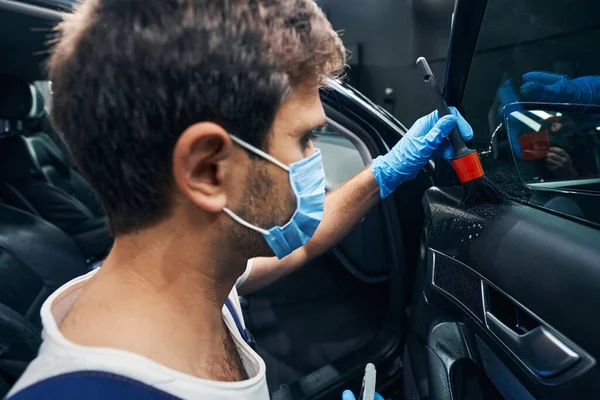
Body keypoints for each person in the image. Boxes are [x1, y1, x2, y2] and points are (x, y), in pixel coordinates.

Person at [7, 0, 473, 399]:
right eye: (306, 137)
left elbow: (304, 244)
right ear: (208, 170)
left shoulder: (191, 280)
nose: (313, 157)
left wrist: (385, 172)